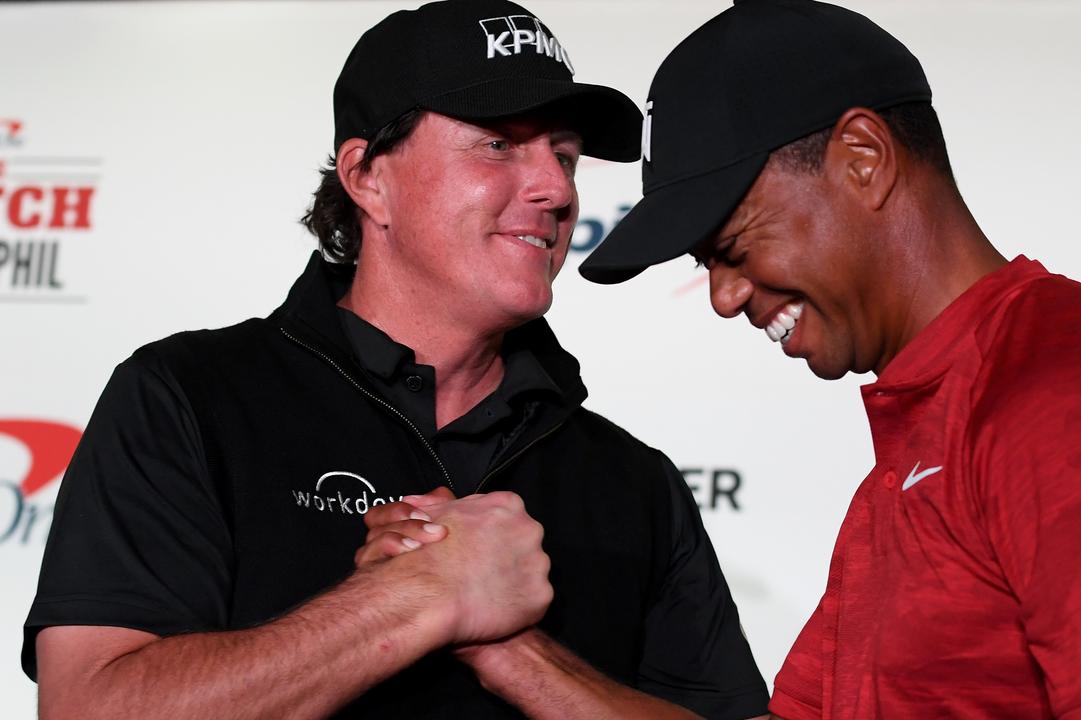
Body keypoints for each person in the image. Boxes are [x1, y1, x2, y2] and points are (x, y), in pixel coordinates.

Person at [22, 1, 770, 718]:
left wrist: (517, 656)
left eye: (565, 156)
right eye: (499, 144)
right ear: (367, 178)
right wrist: (413, 598)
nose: (554, 189)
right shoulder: (188, 399)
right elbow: (92, 706)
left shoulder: (633, 482)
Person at [579, 1, 1081, 717]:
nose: (722, 296)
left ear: (863, 161)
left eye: (731, 244)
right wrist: (513, 654)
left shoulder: (1068, 397)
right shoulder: (934, 422)